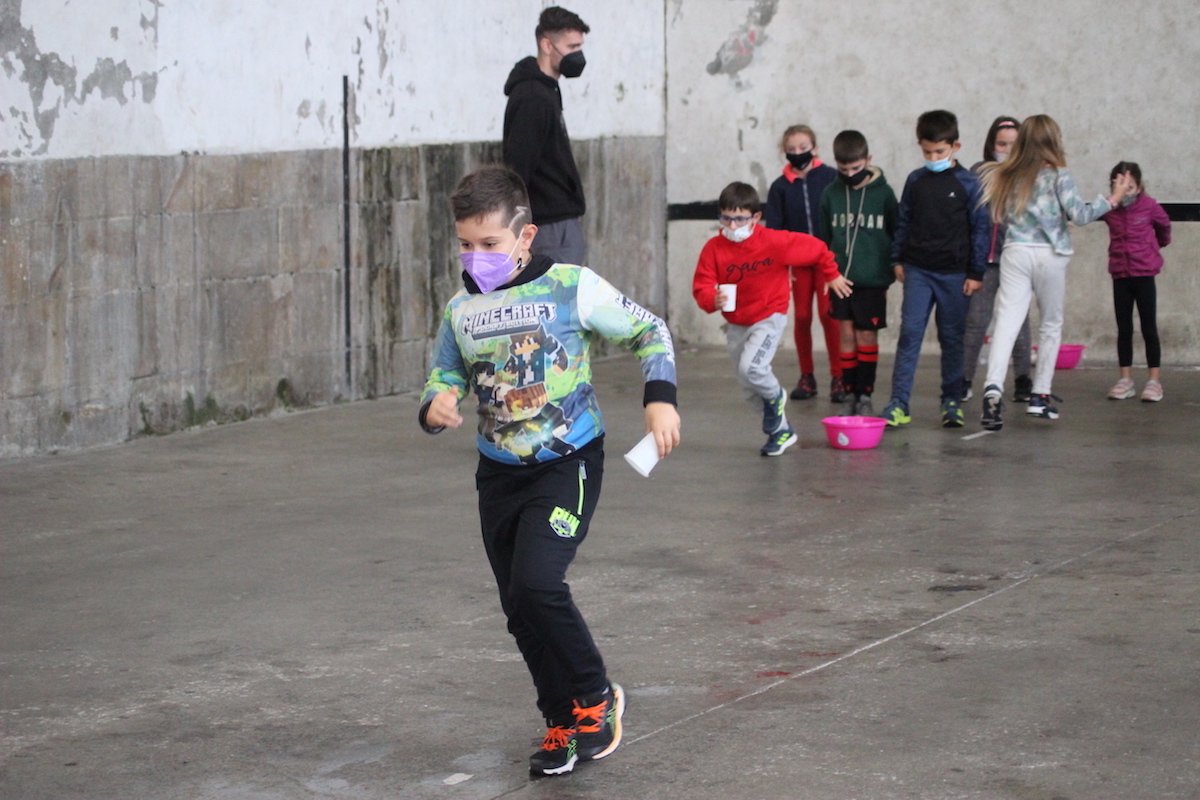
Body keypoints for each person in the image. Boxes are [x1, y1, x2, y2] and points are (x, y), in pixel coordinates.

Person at [419, 166, 681, 776]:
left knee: (538, 583)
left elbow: (650, 330)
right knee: (518, 606)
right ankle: (561, 718)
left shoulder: (571, 286)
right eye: (465, 244)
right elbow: (446, 372)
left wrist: (660, 399)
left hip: (568, 463)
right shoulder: (461, 308)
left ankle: (596, 696)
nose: (476, 256)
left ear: (525, 235)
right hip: (497, 474)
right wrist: (436, 403)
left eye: (490, 243)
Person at [978, 114, 1133, 429]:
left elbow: (1001, 215)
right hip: (1050, 254)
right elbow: (1080, 214)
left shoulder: (1006, 174)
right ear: (1053, 141)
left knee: (1006, 324)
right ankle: (1040, 396)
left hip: (1016, 252)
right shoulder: (1060, 175)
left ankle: (992, 388)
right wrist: (1113, 199)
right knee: (1050, 325)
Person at [693, 182, 850, 456]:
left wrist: (832, 273)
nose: (732, 226)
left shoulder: (774, 242)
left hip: (769, 315)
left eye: (739, 219)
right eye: (726, 218)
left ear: (755, 217)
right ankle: (781, 431)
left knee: (752, 368)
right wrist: (711, 299)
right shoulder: (714, 248)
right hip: (737, 321)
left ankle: (776, 395)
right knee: (747, 386)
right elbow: (702, 284)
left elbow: (817, 248)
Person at [879, 110, 988, 429]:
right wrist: (897, 259)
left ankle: (951, 400)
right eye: (927, 152)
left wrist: (976, 272)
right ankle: (899, 402)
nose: (933, 158)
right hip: (918, 271)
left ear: (956, 146)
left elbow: (980, 229)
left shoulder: (969, 184)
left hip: (955, 275)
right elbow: (904, 221)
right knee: (909, 334)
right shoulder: (915, 181)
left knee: (952, 338)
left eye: (940, 152)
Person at [817, 130, 898, 417]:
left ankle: (865, 393)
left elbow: (896, 232)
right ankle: (849, 392)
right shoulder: (831, 194)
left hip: (873, 279)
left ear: (868, 160)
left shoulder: (885, 194)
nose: (850, 174)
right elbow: (823, 240)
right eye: (844, 169)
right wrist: (828, 273)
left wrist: (892, 267)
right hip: (841, 280)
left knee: (866, 334)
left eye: (856, 168)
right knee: (846, 333)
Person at [502, 6, 590, 264]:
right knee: (558, 288)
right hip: (549, 227)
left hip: (558, 222)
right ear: (547, 45)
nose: (578, 55)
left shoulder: (547, 90)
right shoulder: (533, 98)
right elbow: (518, 167)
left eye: (580, 46)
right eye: (572, 47)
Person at [764, 124, 843, 402]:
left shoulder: (832, 178)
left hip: (827, 261)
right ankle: (806, 375)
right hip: (798, 263)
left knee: (829, 315)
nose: (798, 153)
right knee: (801, 317)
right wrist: (781, 265)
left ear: (815, 148)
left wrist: (837, 256)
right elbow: (774, 232)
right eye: (791, 149)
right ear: (784, 151)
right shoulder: (780, 187)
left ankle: (838, 376)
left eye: (803, 147)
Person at [962, 116, 1034, 404]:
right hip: (984, 263)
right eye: (1001, 144)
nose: (1007, 150)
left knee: (1019, 323)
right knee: (975, 321)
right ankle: (964, 380)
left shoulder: (1030, 176)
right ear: (991, 145)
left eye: (1013, 145)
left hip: (1016, 260)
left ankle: (1023, 380)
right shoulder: (978, 173)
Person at [1101, 161, 1172, 402]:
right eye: (1119, 186)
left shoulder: (1149, 206)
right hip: (1120, 274)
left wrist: (1156, 246)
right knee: (1124, 328)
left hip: (1144, 273)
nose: (1125, 192)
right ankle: (1125, 379)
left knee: (1148, 327)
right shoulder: (1110, 208)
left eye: (1129, 187)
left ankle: (1154, 381)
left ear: (1139, 187)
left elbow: (1164, 226)